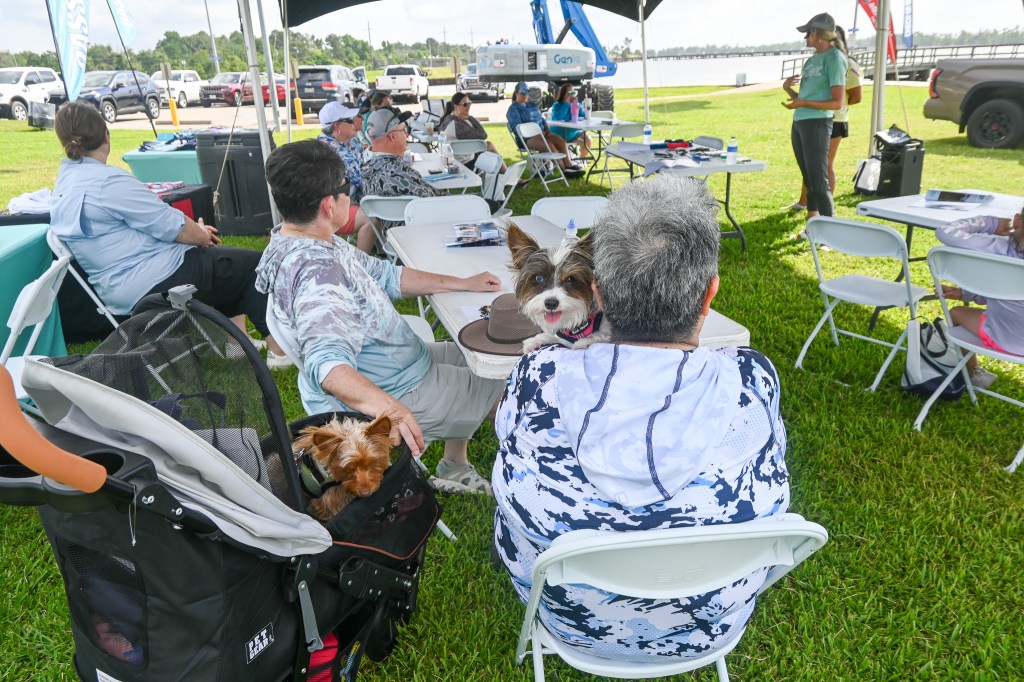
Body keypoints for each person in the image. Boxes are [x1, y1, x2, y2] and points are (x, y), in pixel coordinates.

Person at [492, 175, 790, 663]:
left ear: (599, 293)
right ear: (710, 294)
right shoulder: (754, 377)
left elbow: (506, 449)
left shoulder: (538, 375)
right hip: (709, 624)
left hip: (570, 622)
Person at [257, 139, 506, 493]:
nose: (352, 196)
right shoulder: (319, 274)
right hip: (397, 390)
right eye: (347, 188)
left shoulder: (303, 239)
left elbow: (389, 276)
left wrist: (463, 282)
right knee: (509, 375)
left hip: (403, 367)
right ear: (329, 205)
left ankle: (454, 465)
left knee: (481, 353)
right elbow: (329, 368)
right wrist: (393, 410)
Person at [49, 101, 291, 369]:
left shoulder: (63, 185)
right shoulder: (107, 182)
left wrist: (197, 235)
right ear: (106, 137)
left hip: (116, 291)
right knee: (252, 265)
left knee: (222, 265)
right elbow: (171, 226)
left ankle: (237, 346)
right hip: (154, 279)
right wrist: (201, 235)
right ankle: (279, 352)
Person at [935, 209, 1024, 389]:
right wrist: (964, 294)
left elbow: (946, 231)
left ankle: (973, 373)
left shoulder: (997, 248)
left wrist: (992, 224)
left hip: (1003, 337)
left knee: (956, 313)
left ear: (1016, 222)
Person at [782, 12, 847, 227]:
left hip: (818, 124)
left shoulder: (835, 58)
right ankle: (813, 225)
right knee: (809, 179)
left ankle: (830, 234)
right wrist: (789, 90)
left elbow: (837, 103)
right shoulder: (811, 61)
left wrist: (803, 103)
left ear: (819, 35)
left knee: (819, 182)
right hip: (800, 122)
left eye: (808, 33)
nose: (805, 37)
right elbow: (805, 98)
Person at [791, 25, 862, 212]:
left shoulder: (845, 62)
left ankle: (822, 215)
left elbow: (855, 97)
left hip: (833, 120)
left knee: (823, 167)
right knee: (812, 170)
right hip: (810, 118)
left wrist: (830, 103)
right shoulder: (816, 61)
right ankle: (806, 205)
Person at [360, 107, 437, 232]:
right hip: (422, 232)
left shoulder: (366, 164)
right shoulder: (395, 173)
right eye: (404, 130)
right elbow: (433, 203)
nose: (407, 135)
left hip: (394, 235)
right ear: (392, 137)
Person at [317, 101, 377, 254]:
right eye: (350, 120)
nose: (355, 123)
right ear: (337, 126)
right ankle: (360, 263)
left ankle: (382, 251)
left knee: (380, 205)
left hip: (345, 201)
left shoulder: (347, 143)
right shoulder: (333, 151)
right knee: (372, 218)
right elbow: (362, 179)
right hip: (328, 210)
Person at [506, 82, 584, 178]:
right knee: (550, 145)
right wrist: (537, 133)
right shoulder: (513, 109)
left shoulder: (531, 105)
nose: (525, 95)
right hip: (526, 138)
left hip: (543, 133)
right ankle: (564, 170)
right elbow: (517, 128)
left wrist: (547, 129)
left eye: (527, 92)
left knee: (561, 142)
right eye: (523, 93)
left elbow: (541, 119)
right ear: (516, 93)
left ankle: (569, 165)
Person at [437, 91, 507, 172]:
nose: (468, 107)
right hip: (465, 165)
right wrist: (471, 118)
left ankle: (503, 174)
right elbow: (483, 135)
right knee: (490, 146)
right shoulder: (457, 125)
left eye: (469, 103)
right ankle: (506, 173)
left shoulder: (447, 119)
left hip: (448, 162)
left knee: (488, 148)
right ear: (456, 106)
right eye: (465, 104)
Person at [548, 84, 592, 160]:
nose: (572, 95)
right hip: (559, 134)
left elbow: (583, 117)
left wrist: (577, 105)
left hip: (573, 134)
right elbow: (558, 118)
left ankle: (582, 160)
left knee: (587, 139)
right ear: (563, 94)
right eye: (570, 93)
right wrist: (566, 103)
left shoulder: (576, 104)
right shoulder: (557, 105)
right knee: (560, 143)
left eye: (573, 92)